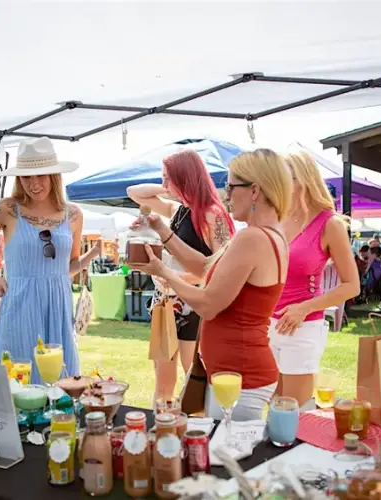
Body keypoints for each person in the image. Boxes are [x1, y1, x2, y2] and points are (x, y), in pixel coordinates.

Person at [133, 149, 291, 421]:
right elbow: (208, 267)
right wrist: (162, 230)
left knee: (223, 455)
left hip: (240, 376)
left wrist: (164, 273)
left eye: (231, 187)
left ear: (255, 191)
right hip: (234, 373)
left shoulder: (252, 238)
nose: (226, 195)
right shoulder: (268, 235)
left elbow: (207, 305)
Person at [0, 137, 101, 383]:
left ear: (54, 176)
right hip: (20, 302)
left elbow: (69, 266)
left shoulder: (73, 215)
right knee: (18, 378)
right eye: (26, 177)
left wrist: (90, 257)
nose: (34, 184)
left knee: (61, 384)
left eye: (40, 176)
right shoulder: (6, 209)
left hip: (58, 305)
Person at [127, 149, 234, 402]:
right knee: (163, 382)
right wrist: (170, 187)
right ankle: (163, 428)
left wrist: (176, 277)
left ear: (185, 177)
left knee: (195, 381)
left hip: (193, 304)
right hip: (166, 303)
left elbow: (223, 268)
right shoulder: (178, 210)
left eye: (168, 178)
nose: (163, 184)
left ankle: (200, 432)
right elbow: (134, 192)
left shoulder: (212, 214)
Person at [269, 151, 360, 407]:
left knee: (292, 410)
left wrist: (304, 308)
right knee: (271, 406)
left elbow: (352, 286)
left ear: (303, 180)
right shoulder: (276, 218)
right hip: (266, 324)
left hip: (302, 326)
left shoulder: (330, 224)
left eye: (283, 178)